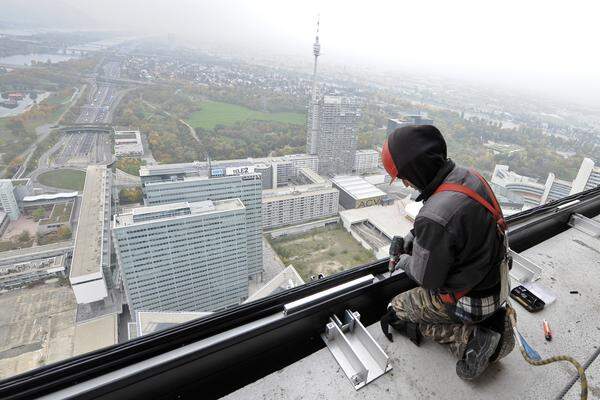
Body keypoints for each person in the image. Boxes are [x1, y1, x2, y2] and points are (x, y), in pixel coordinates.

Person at [379, 124, 514, 380]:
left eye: (405, 177)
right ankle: (490, 321)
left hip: (471, 301)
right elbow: (452, 224)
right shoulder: (469, 176)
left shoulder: (434, 216)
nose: (406, 184)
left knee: (397, 309)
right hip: (498, 284)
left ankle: (473, 337)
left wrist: (403, 259)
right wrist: (412, 238)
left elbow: (427, 279)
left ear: (416, 170)